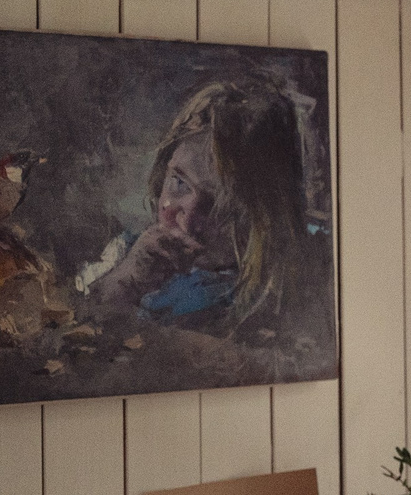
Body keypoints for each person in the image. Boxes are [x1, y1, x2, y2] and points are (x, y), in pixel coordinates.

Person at [85, 78, 318, 325]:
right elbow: (82, 321)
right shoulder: (128, 254)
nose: (188, 223)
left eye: (222, 207)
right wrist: (126, 282)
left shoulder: (254, 302)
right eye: (179, 183)